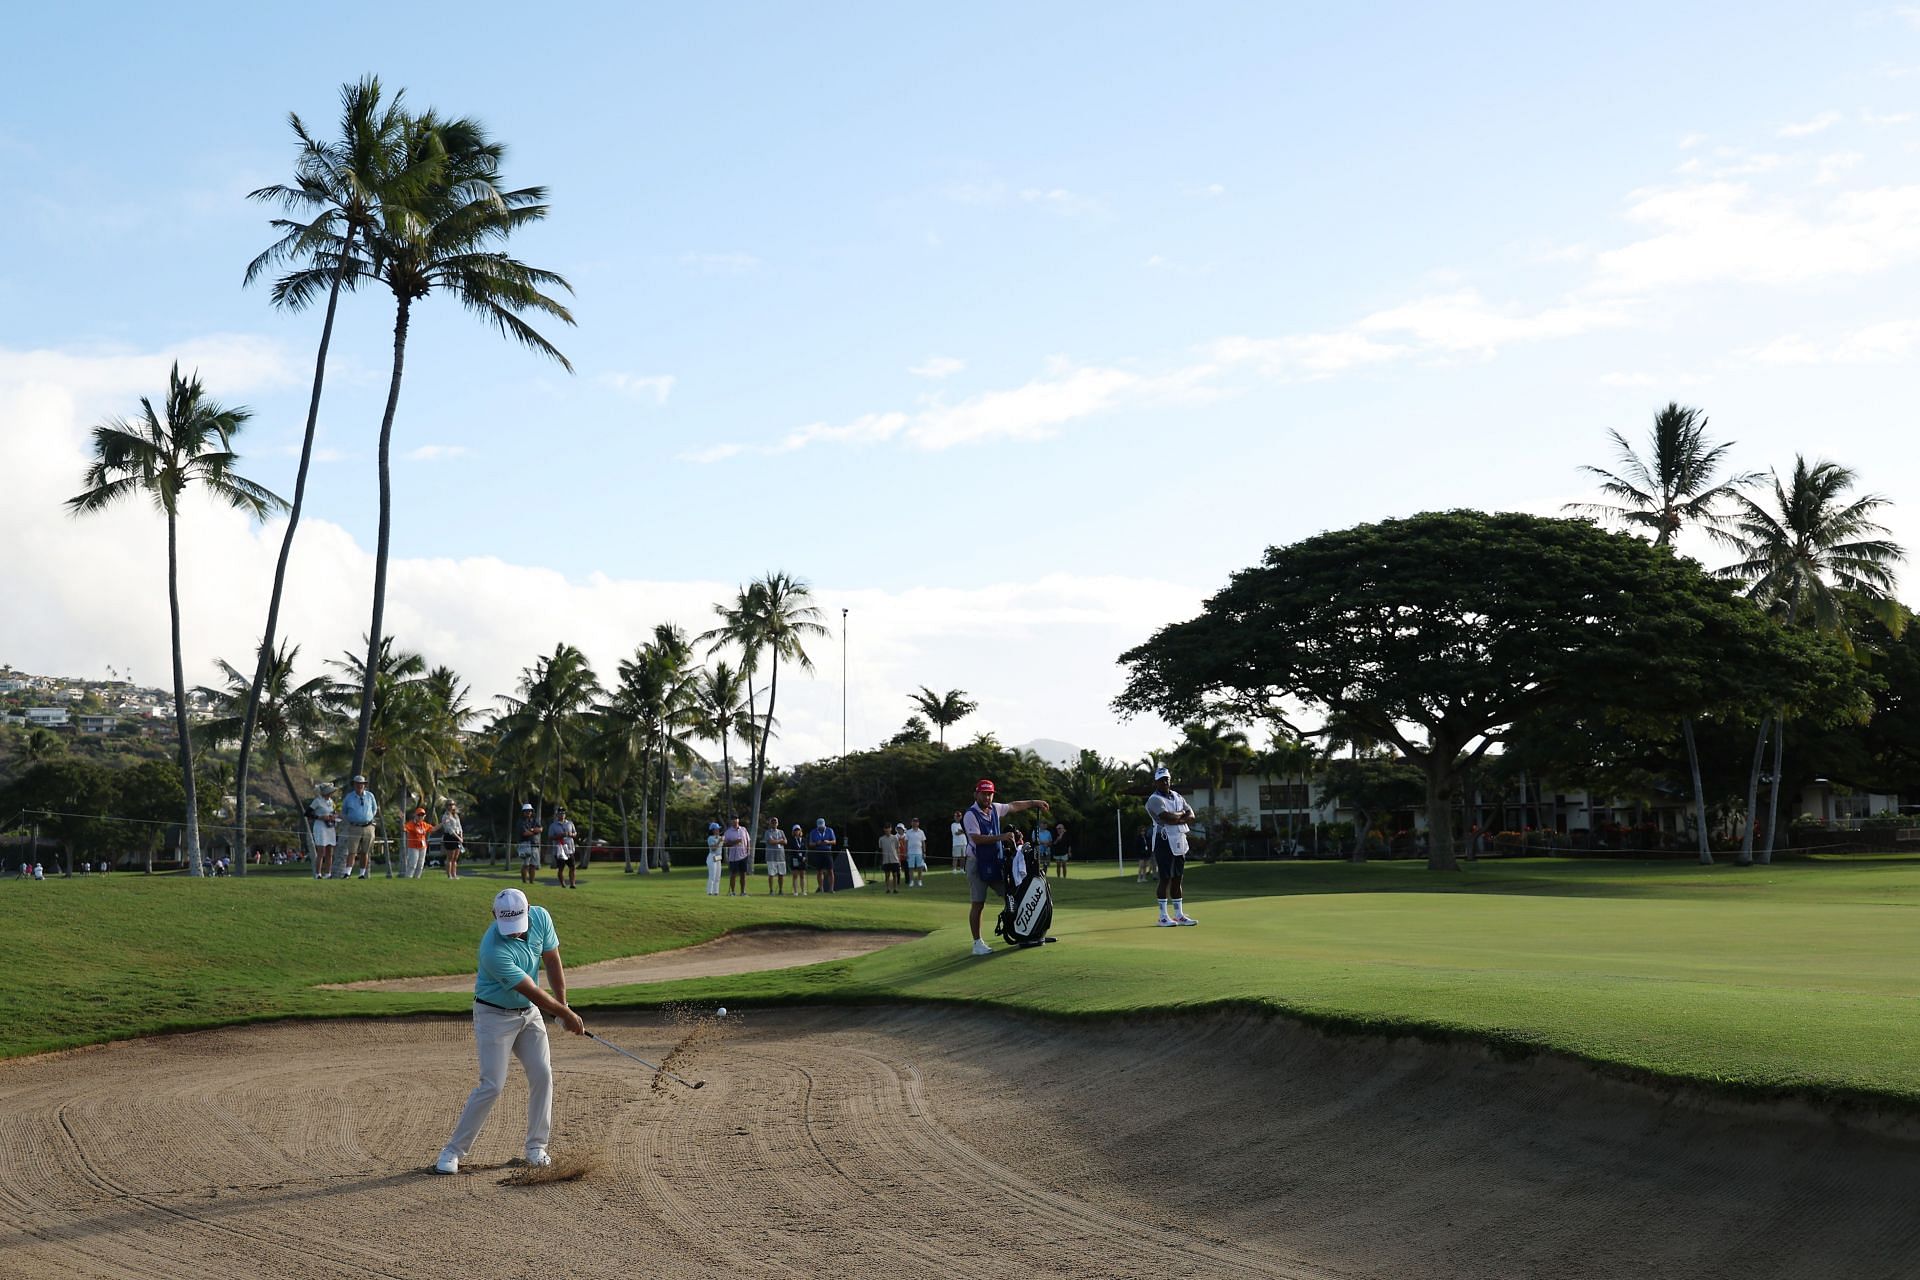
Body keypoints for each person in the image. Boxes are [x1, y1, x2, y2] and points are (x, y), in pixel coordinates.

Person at [432, 888, 586, 1175]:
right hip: (494, 1016)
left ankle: (536, 1148)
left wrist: (563, 1004)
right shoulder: (493, 950)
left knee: (543, 1074)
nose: (515, 933)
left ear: (528, 912)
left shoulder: (541, 918)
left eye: (518, 926)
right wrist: (566, 1014)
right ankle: (452, 1151)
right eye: (508, 927)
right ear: (494, 916)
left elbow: (552, 960)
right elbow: (533, 990)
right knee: (492, 1084)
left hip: (528, 1014)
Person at [961, 779, 1050, 956]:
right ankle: (977, 943)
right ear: (976, 794)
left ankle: (1024, 930)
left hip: (995, 862)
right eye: (983, 793)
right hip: (976, 863)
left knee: (1012, 895)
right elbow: (976, 839)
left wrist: (1034, 803)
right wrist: (1001, 837)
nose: (987, 797)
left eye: (990, 794)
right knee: (978, 903)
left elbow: (1013, 806)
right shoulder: (970, 814)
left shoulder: (994, 808)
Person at [1147, 766, 1198, 926]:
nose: (1165, 782)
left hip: (1178, 839)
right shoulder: (1154, 799)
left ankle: (1179, 914)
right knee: (1165, 878)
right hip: (1163, 840)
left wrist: (1180, 817)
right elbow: (1166, 817)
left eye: (1167, 779)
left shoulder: (1177, 796)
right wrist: (1181, 815)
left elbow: (1191, 814)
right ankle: (1163, 916)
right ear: (1156, 782)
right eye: (1161, 780)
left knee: (1178, 878)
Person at [339, 775, 378, 880]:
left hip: (368, 826)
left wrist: (369, 818)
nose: (359, 786)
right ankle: (347, 873)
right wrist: (351, 819)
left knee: (365, 851)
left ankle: (361, 874)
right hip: (354, 827)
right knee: (352, 851)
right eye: (357, 784)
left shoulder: (370, 796)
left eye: (361, 784)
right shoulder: (349, 797)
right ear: (354, 785)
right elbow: (344, 811)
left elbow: (374, 809)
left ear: (364, 785)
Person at [307, 781, 339, 879]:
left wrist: (334, 816)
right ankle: (318, 873)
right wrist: (320, 817)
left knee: (330, 851)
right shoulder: (317, 801)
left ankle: (328, 873)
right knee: (321, 851)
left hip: (330, 826)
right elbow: (308, 813)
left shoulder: (331, 801)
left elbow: (332, 811)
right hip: (320, 827)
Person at [547, 806, 578, 890]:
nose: (562, 815)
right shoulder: (553, 825)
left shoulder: (570, 823)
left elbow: (575, 833)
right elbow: (550, 837)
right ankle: (563, 884)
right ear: (557, 815)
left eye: (563, 813)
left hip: (569, 849)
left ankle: (572, 884)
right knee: (561, 868)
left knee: (572, 867)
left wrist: (571, 834)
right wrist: (559, 836)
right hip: (559, 850)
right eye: (560, 813)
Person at [722, 816, 751, 896]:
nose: (735, 823)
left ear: (738, 821)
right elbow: (725, 844)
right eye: (734, 822)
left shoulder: (743, 829)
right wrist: (735, 842)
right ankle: (733, 892)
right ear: (731, 822)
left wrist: (748, 851)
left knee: (743, 874)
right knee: (733, 875)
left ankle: (743, 892)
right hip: (733, 857)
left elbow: (748, 841)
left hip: (744, 856)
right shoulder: (728, 832)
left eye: (736, 822)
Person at [402, 807, 434, 880]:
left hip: (423, 847)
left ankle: (417, 879)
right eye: (419, 815)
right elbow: (403, 829)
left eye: (422, 815)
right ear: (415, 815)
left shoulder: (424, 824)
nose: (420, 816)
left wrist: (443, 823)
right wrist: (401, 820)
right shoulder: (411, 824)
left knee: (421, 865)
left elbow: (433, 829)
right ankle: (408, 878)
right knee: (412, 864)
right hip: (413, 847)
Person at [808, 818, 837, 893]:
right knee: (819, 871)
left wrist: (828, 842)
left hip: (827, 851)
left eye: (822, 826)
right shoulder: (813, 832)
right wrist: (817, 843)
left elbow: (834, 841)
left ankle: (831, 889)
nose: (821, 827)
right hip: (818, 852)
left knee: (830, 870)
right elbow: (810, 844)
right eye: (819, 826)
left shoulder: (829, 830)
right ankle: (821, 889)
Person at [438, 801, 465, 879]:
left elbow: (459, 827)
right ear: (446, 806)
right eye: (450, 805)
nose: (452, 806)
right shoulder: (445, 816)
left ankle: (454, 874)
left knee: (455, 858)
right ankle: (449, 875)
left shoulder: (456, 815)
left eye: (453, 804)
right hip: (450, 836)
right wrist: (458, 837)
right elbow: (449, 829)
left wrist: (461, 836)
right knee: (450, 857)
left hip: (457, 837)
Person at [517, 804, 542, 886]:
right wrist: (535, 831)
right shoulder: (521, 822)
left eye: (530, 811)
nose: (529, 812)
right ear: (523, 812)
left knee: (533, 865)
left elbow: (540, 829)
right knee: (526, 864)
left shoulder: (534, 820)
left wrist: (532, 830)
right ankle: (524, 881)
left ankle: (531, 882)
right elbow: (525, 833)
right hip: (525, 844)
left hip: (534, 844)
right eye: (527, 811)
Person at [763, 817, 788, 896]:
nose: (774, 824)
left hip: (781, 856)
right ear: (770, 823)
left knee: (781, 874)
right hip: (771, 857)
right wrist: (780, 841)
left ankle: (780, 890)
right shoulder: (767, 832)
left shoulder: (781, 832)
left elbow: (785, 841)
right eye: (772, 822)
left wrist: (778, 841)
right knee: (771, 874)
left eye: (775, 822)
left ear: (777, 823)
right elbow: (771, 841)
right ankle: (771, 890)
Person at [903, 817, 928, 887]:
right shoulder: (908, 832)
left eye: (916, 822)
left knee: (919, 867)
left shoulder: (921, 832)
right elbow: (906, 843)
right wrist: (905, 852)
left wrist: (924, 852)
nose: (915, 823)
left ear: (918, 823)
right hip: (910, 853)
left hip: (919, 852)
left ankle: (919, 881)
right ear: (911, 823)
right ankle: (911, 881)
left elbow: (923, 843)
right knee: (911, 868)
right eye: (914, 821)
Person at [878, 825, 901, 893]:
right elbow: (881, 850)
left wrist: (899, 859)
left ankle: (895, 889)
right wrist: (881, 860)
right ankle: (887, 889)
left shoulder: (895, 837)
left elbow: (897, 848)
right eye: (886, 828)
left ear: (891, 829)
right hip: (886, 860)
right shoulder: (881, 839)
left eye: (888, 828)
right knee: (887, 875)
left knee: (895, 875)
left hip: (894, 859)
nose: (887, 830)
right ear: (884, 829)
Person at [788, 824, 808, 895]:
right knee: (795, 875)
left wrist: (804, 857)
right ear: (793, 832)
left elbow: (805, 849)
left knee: (802, 875)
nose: (797, 831)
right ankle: (795, 891)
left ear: (800, 831)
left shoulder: (804, 840)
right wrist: (800, 857)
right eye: (795, 830)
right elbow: (793, 851)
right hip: (795, 859)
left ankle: (803, 891)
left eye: (798, 830)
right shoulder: (792, 840)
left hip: (803, 859)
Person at [705, 822, 724, 895]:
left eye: (719, 829)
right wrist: (719, 841)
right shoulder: (710, 838)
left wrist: (721, 840)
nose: (718, 830)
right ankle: (709, 892)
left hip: (718, 857)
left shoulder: (719, 837)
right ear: (713, 830)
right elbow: (713, 849)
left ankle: (716, 892)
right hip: (712, 856)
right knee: (712, 875)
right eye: (717, 829)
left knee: (718, 876)